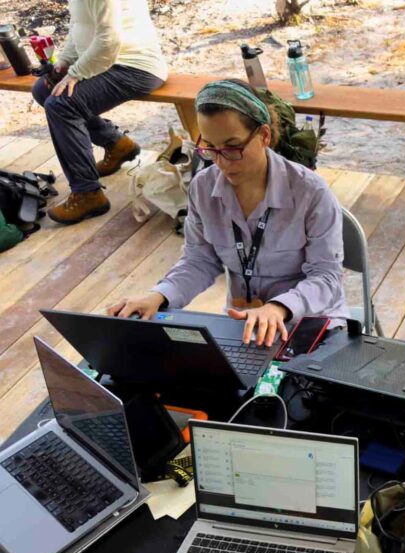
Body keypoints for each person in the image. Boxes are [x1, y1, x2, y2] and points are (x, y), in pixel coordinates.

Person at [107, 80, 348, 347]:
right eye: (210, 147)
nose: (221, 161)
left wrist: (278, 307)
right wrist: (158, 296)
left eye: (233, 147)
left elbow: (326, 277)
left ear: (264, 136)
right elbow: (199, 261)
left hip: (310, 324)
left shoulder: (310, 192)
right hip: (244, 326)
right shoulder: (203, 187)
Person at [31, 0, 168, 225]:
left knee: (61, 104)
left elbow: (108, 40)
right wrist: (64, 63)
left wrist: (76, 73)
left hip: (135, 67)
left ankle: (88, 193)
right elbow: (81, 29)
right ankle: (116, 144)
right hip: (109, 62)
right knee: (43, 90)